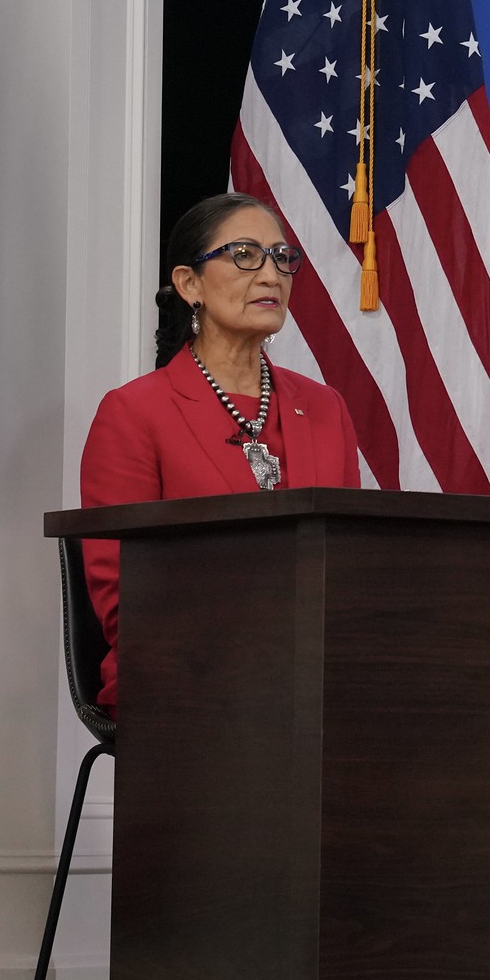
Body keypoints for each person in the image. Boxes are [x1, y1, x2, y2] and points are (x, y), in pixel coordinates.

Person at [79, 193, 362, 710]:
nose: (272, 274)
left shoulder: (325, 408)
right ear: (190, 285)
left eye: (282, 257)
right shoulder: (134, 412)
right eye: (245, 255)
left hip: (318, 675)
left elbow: (350, 564)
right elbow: (126, 595)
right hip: (183, 676)